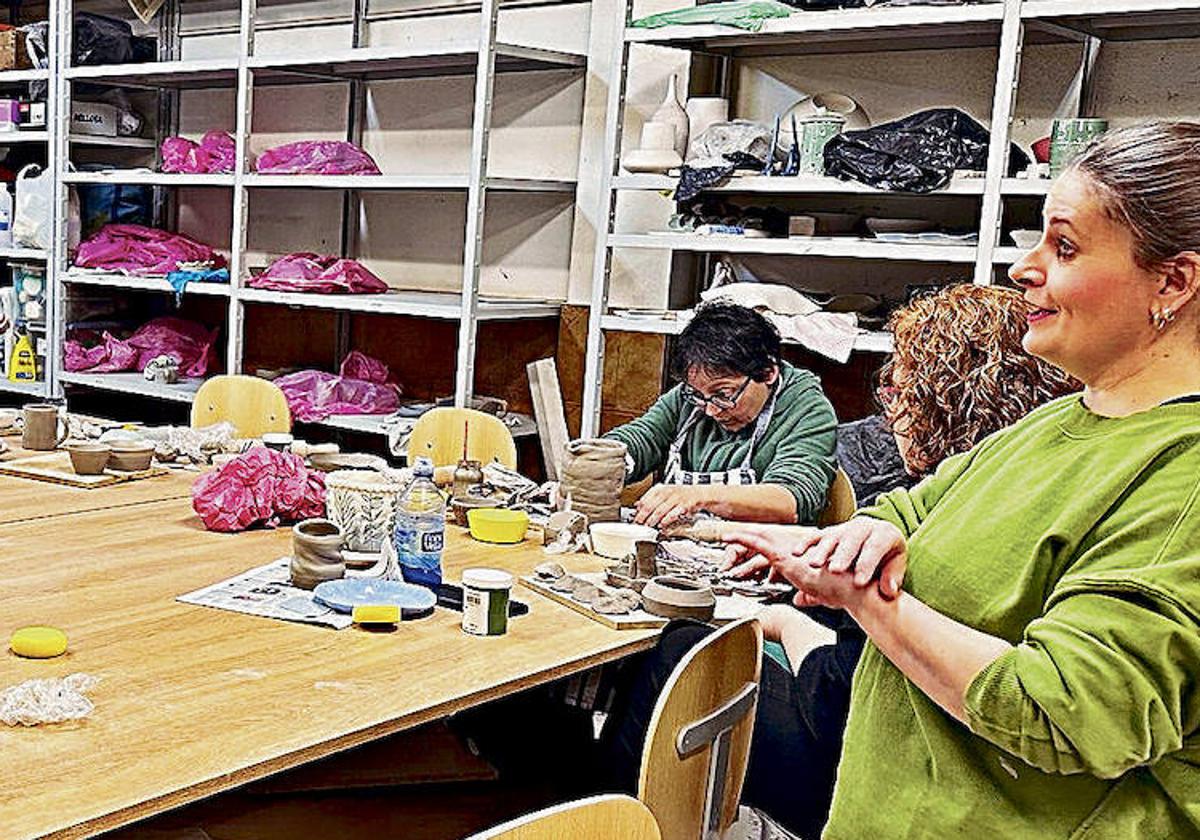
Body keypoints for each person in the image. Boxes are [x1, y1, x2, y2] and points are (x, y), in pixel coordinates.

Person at [723, 121, 1200, 837]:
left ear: (1173, 281)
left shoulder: (1182, 475)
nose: (1024, 268)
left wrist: (864, 600)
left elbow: (1067, 710)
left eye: (1064, 247)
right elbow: (914, 511)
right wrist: (860, 537)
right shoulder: (1062, 419)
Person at [602, 284, 1077, 838]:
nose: (888, 405)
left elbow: (840, 686)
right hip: (874, 702)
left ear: (948, 398)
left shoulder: (965, 518)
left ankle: (610, 814)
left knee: (684, 651)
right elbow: (641, 435)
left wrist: (782, 619)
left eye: (901, 385)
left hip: (885, 755)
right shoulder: (980, 482)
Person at [604, 302, 837, 528]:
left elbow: (791, 500)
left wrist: (698, 497)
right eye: (698, 395)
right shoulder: (698, 394)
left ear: (768, 373)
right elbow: (643, 437)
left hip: (763, 559)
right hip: (687, 553)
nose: (711, 410)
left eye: (723, 395)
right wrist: (604, 457)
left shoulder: (807, 409)